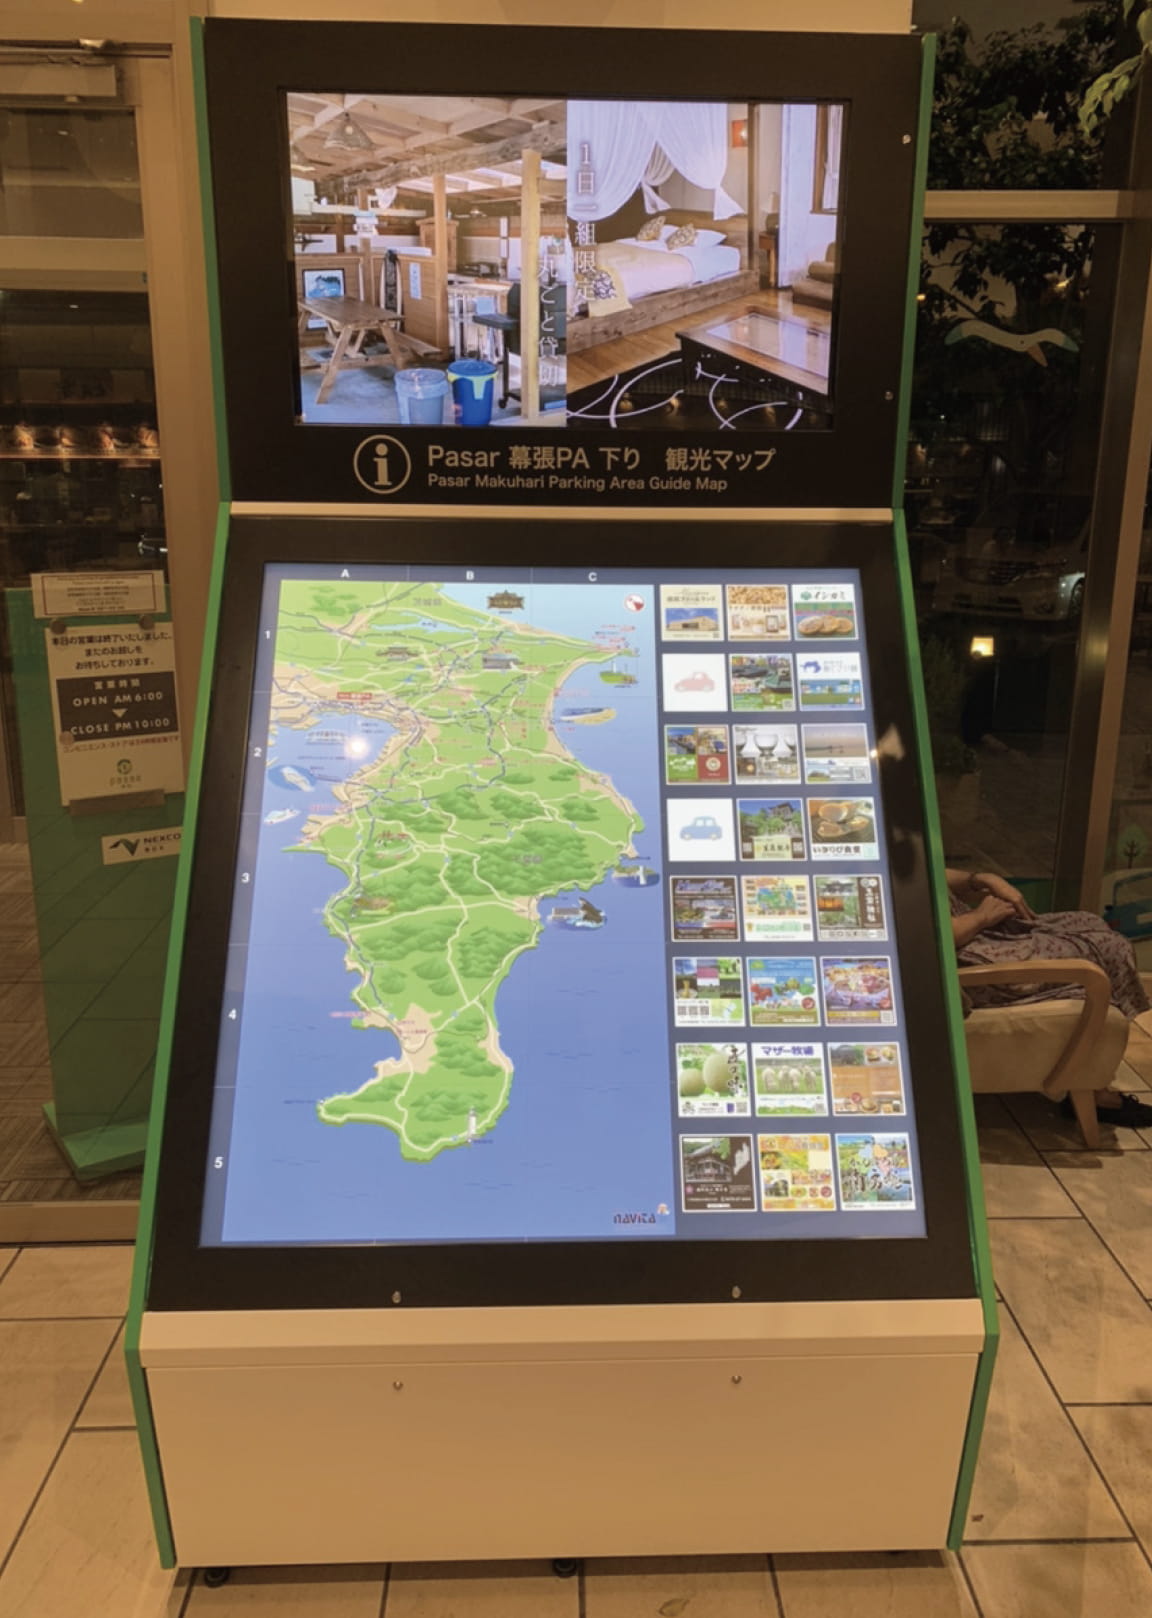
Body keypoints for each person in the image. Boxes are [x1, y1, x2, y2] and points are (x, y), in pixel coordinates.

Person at [948, 868, 1152, 1128]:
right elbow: (923, 937)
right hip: (967, 960)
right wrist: (980, 917)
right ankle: (1096, 1093)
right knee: (1110, 948)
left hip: (980, 937)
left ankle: (1096, 1076)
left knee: (1088, 922)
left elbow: (930, 874)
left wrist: (979, 879)